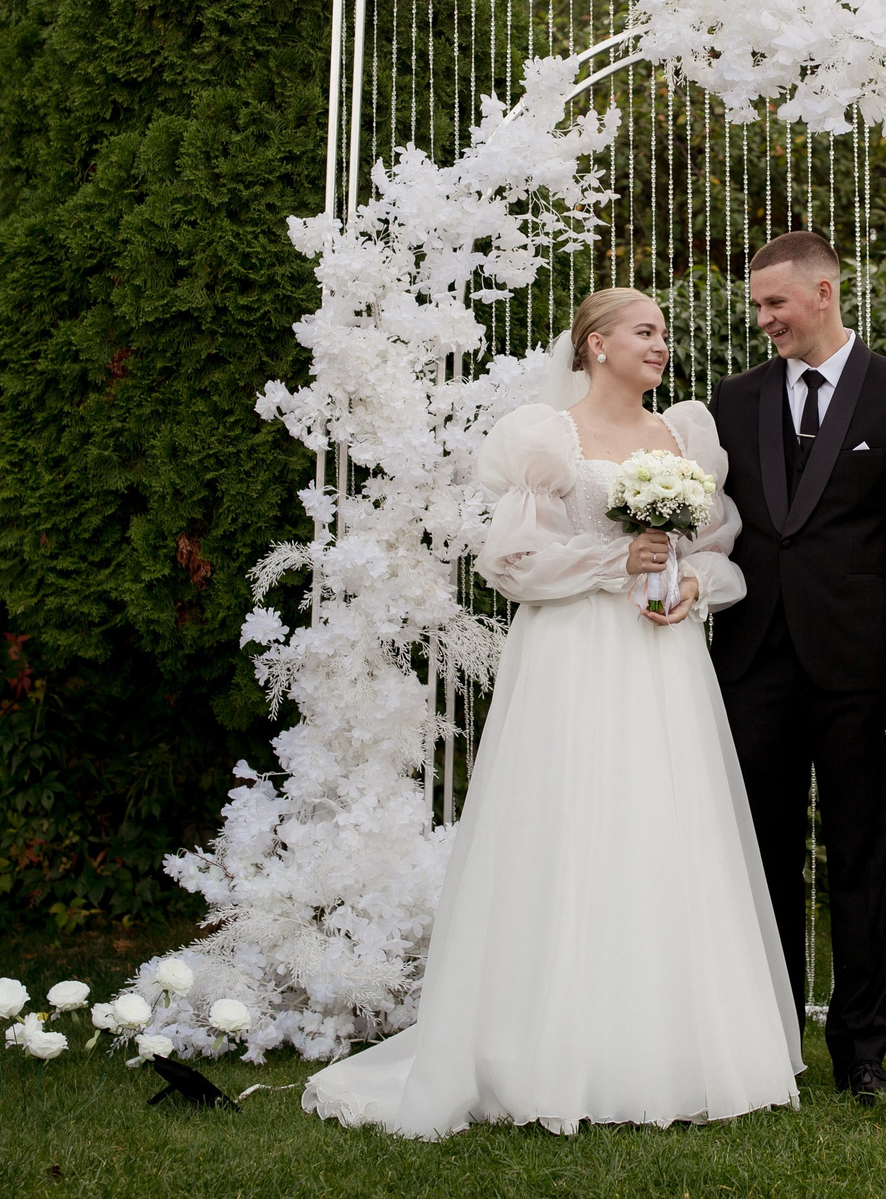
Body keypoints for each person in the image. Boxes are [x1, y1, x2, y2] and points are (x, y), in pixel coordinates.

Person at [301, 287, 803, 1138]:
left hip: (662, 662)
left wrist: (684, 582)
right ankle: (542, 1043)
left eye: (664, 334)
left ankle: (669, 1046)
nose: (661, 345)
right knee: (570, 825)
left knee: (662, 826)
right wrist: (615, 563)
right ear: (596, 344)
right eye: (645, 331)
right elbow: (509, 559)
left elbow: (721, 553)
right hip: (573, 658)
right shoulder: (547, 437)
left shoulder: (683, 437)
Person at [709, 230, 886, 1103]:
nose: (763, 318)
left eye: (775, 302)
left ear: (823, 291)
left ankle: (861, 1050)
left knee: (858, 858)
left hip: (860, 672)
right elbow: (716, 527)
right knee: (763, 858)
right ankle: (770, 1038)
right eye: (757, 305)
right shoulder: (733, 401)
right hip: (754, 664)